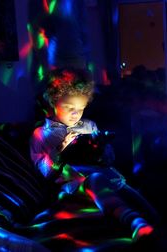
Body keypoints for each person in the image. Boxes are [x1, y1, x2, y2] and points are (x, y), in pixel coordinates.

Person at [30, 67, 155, 242]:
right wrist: (60, 151)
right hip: (78, 185)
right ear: (53, 101)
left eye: (81, 108)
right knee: (96, 180)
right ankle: (134, 222)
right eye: (69, 107)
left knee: (144, 205)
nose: (75, 114)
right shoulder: (42, 134)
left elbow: (109, 160)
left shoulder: (89, 126)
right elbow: (46, 173)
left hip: (109, 178)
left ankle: (153, 227)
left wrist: (102, 148)